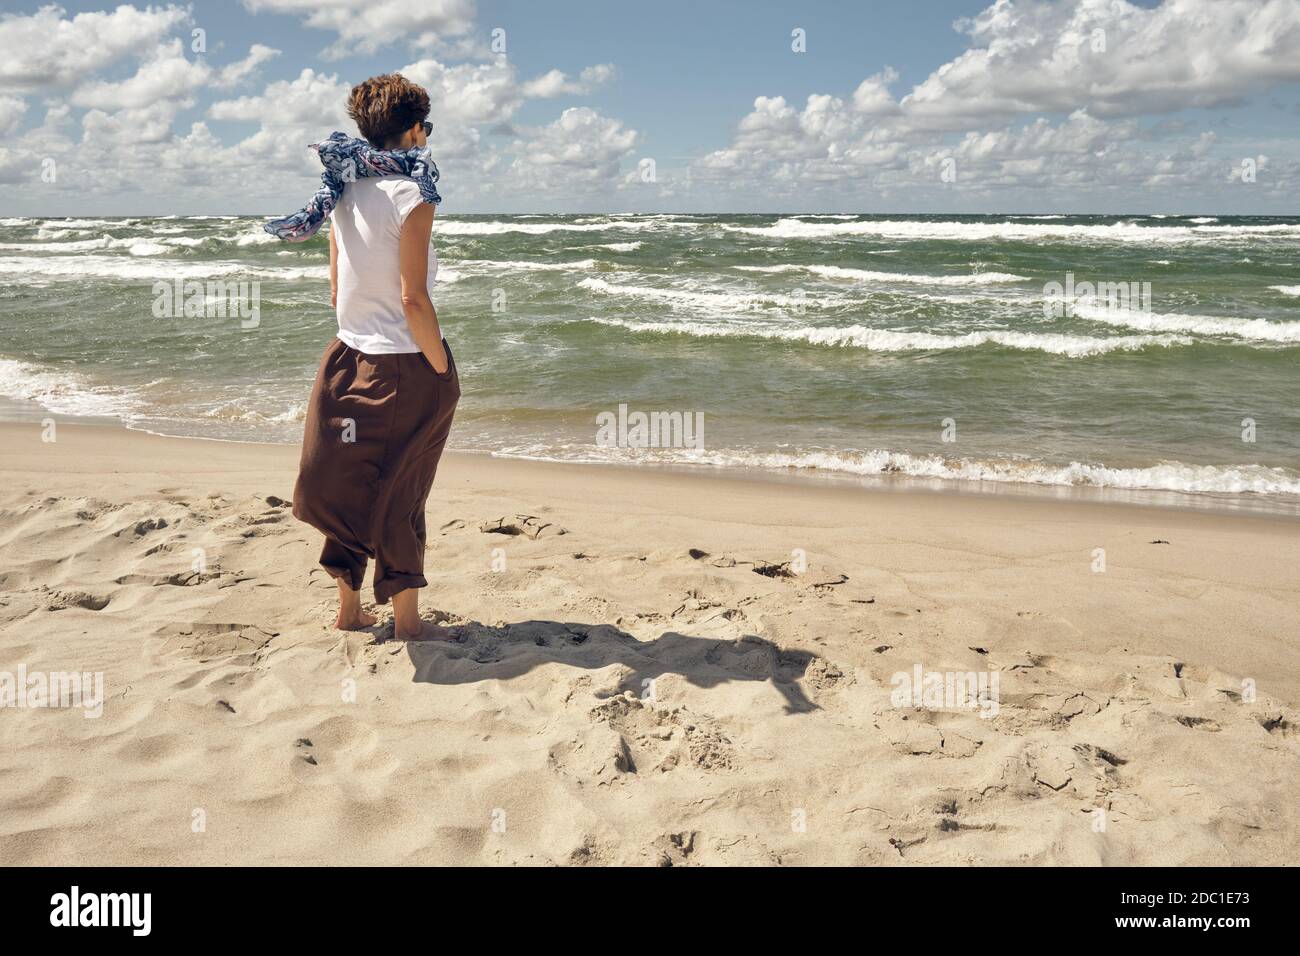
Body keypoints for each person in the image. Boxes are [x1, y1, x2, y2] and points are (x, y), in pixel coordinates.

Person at [283, 73, 459, 641]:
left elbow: (336, 287)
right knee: (404, 491)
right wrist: (441, 367)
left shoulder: (341, 188)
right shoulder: (413, 193)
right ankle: (408, 624)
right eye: (425, 129)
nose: (426, 139)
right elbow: (413, 297)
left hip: (346, 355)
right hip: (404, 364)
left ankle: (349, 610)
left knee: (354, 484)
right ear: (412, 131)